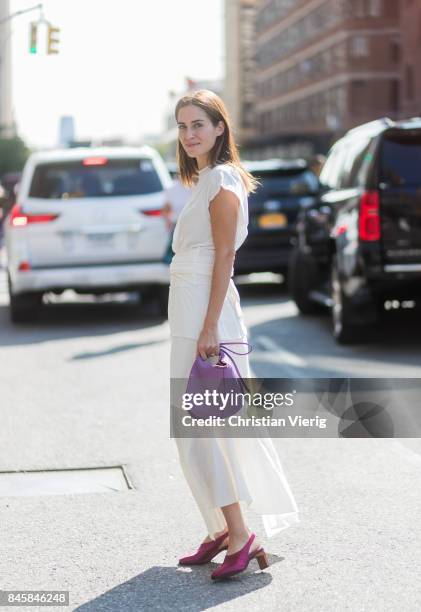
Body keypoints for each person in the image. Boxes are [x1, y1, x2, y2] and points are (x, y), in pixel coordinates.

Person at [168, 89, 299, 580]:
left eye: (198, 124)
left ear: (220, 127)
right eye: (182, 126)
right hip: (190, 307)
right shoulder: (204, 178)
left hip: (208, 312)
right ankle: (219, 529)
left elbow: (225, 257)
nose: (189, 134)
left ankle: (240, 533)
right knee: (193, 430)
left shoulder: (222, 178)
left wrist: (208, 327)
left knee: (204, 428)